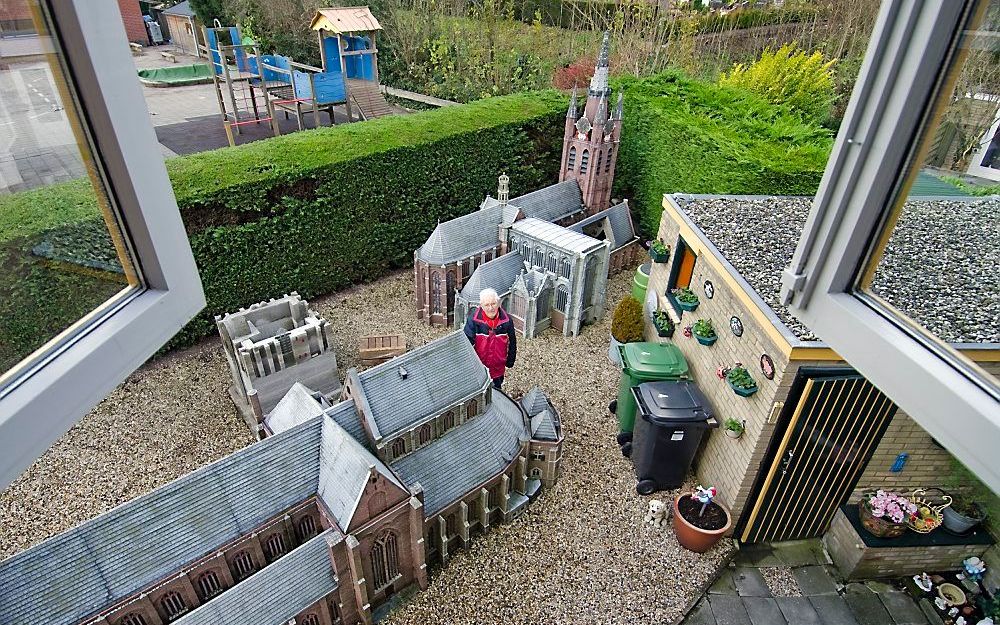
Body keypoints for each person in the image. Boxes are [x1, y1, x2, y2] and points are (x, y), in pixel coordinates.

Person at [463, 288, 516, 389]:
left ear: (498, 303)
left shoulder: (507, 321)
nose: (491, 308)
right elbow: (467, 344)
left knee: (496, 392)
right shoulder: (473, 321)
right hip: (479, 366)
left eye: (493, 304)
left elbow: (512, 342)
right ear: (481, 305)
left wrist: (510, 361)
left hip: (498, 367)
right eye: (487, 305)